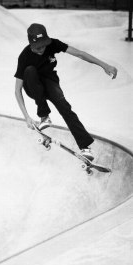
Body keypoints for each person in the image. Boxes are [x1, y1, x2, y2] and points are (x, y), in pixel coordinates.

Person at [14, 23, 117, 161]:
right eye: (37, 47)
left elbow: (80, 54)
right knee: (30, 71)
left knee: (65, 107)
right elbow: (17, 90)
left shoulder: (53, 44)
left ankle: (85, 147)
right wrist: (26, 116)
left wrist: (105, 65)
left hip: (50, 83)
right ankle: (44, 115)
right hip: (33, 87)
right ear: (30, 44)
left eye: (43, 46)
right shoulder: (24, 56)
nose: (41, 50)